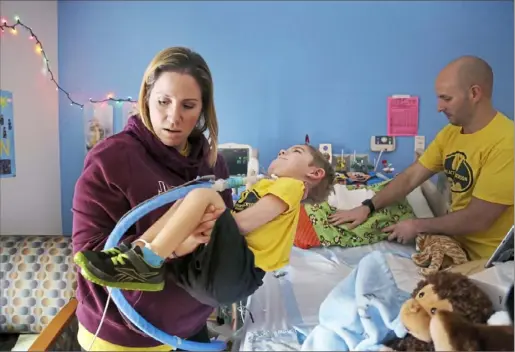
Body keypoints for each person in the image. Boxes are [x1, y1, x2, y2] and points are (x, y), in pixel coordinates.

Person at [72, 47, 234, 351]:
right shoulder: (111, 159)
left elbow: (224, 235)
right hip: (123, 334)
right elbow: (89, 257)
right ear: (146, 96)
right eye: (163, 102)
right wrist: (174, 245)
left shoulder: (213, 164)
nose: (174, 117)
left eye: (188, 105)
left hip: (190, 326)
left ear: (203, 108)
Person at [74, 144, 335, 307]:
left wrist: (211, 220)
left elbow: (243, 224)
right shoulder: (267, 186)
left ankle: (148, 262)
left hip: (239, 273)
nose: (283, 152)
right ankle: (136, 252)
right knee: (190, 199)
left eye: (296, 151)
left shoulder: (293, 186)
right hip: (216, 277)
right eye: (285, 150)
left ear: (314, 173)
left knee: (202, 195)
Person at [329, 55, 514, 261]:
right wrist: (367, 206)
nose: (438, 107)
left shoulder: (507, 143)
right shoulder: (451, 134)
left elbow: (479, 218)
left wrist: (418, 225)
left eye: (446, 98)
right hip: (457, 244)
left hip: (489, 261)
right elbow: (411, 177)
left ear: (474, 93)